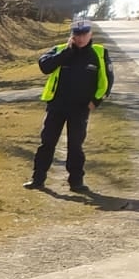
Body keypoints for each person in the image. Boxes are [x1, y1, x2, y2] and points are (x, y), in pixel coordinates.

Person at [24, 18, 112, 194]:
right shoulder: (59, 50)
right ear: (71, 35)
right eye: (77, 35)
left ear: (90, 34)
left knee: (75, 145)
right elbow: (45, 66)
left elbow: (107, 81)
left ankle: (76, 182)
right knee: (47, 143)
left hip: (80, 108)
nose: (80, 39)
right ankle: (38, 179)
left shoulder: (99, 53)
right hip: (57, 106)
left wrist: (95, 102)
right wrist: (67, 52)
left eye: (84, 34)